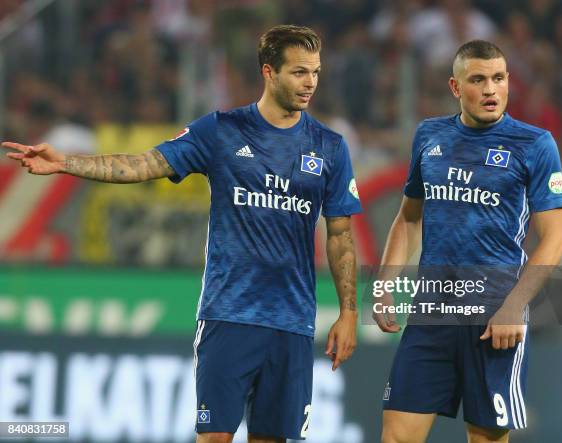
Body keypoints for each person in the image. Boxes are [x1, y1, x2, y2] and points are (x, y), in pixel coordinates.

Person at [3, 25, 362, 443]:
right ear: (269, 72)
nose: (310, 83)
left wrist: (349, 312)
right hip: (229, 313)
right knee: (214, 438)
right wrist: (67, 162)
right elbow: (144, 164)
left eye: (315, 73)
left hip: (293, 320)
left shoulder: (330, 147)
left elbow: (340, 234)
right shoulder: (221, 130)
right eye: (299, 72)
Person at [373, 40, 562, 443]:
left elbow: (553, 240)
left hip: (494, 315)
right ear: (456, 87)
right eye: (478, 80)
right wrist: (385, 285)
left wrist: (514, 307)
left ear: (509, 81)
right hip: (431, 314)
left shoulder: (535, 144)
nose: (491, 90)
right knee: (395, 436)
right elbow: (409, 217)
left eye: (498, 78)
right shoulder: (429, 136)